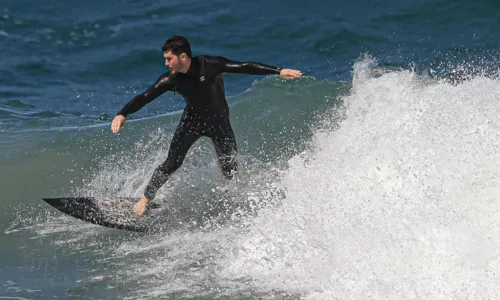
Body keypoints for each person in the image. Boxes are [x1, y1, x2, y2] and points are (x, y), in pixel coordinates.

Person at [111, 36, 302, 216]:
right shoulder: (171, 79)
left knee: (230, 166)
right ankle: (146, 198)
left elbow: (244, 66)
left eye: (169, 59)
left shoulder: (210, 65)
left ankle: (230, 201)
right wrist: (123, 113)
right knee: (172, 162)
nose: (166, 63)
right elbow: (145, 97)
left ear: (183, 57)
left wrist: (278, 71)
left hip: (219, 123)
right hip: (192, 123)